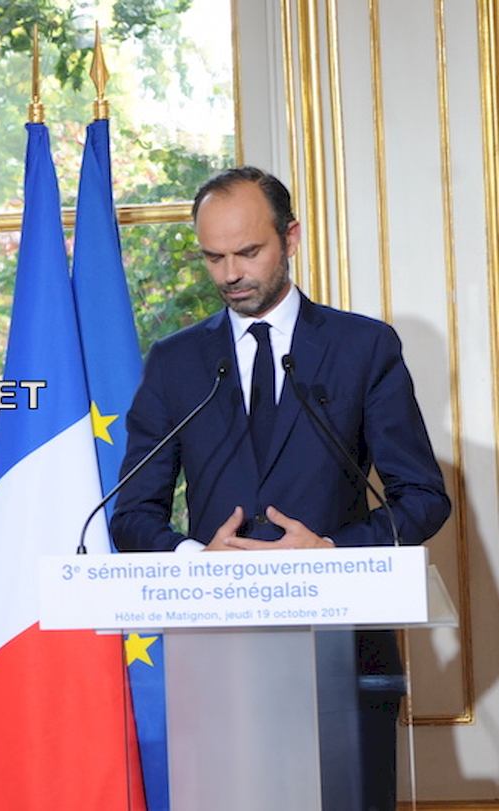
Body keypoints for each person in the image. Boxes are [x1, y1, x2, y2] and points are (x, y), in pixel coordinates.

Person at [109, 167, 450, 809]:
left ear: (290, 238)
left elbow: (424, 498)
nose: (230, 273)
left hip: (345, 652)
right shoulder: (176, 363)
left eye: (248, 252)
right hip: (217, 659)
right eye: (213, 257)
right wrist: (195, 561)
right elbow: (131, 514)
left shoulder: (362, 348)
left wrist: (330, 551)